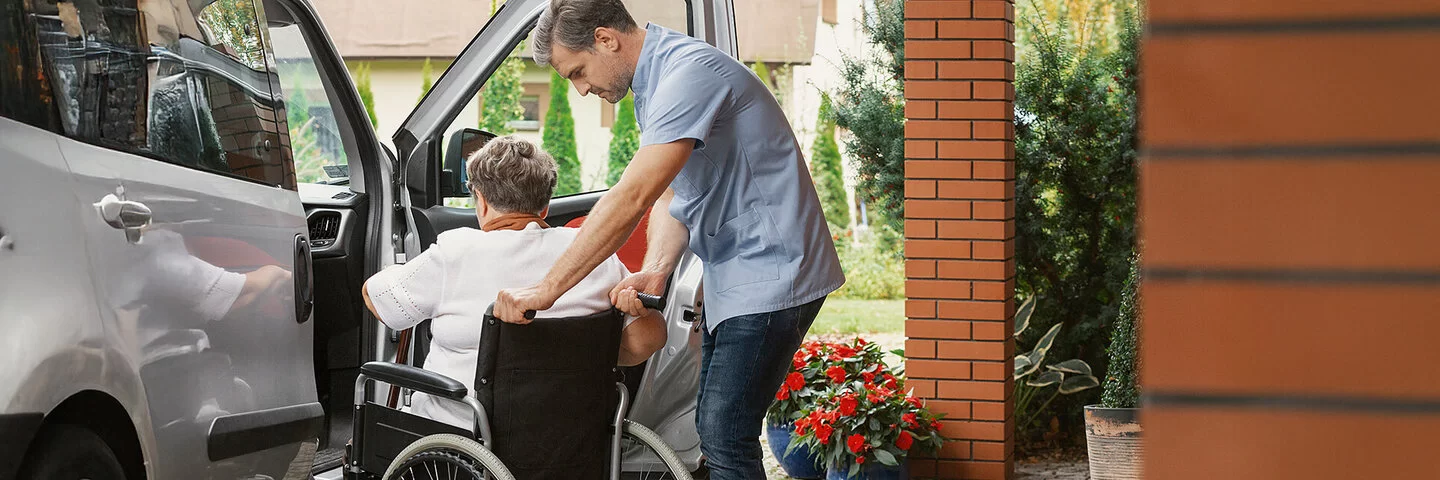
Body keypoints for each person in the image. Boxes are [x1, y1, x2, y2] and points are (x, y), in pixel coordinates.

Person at [493, 1, 845, 477]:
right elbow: (672, 193)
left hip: (773, 269)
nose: (580, 90)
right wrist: (657, 268)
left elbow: (634, 194)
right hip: (740, 272)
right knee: (718, 431)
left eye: (577, 72)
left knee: (724, 436)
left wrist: (546, 291)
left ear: (605, 39)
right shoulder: (657, 82)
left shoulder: (688, 74)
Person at [361, 136, 667, 429]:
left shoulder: (454, 253)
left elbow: (378, 300)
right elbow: (643, 342)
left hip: (461, 439)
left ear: (480, 201)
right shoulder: (594, 256)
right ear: (545, 206)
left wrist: (393, 271)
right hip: (568, 440)